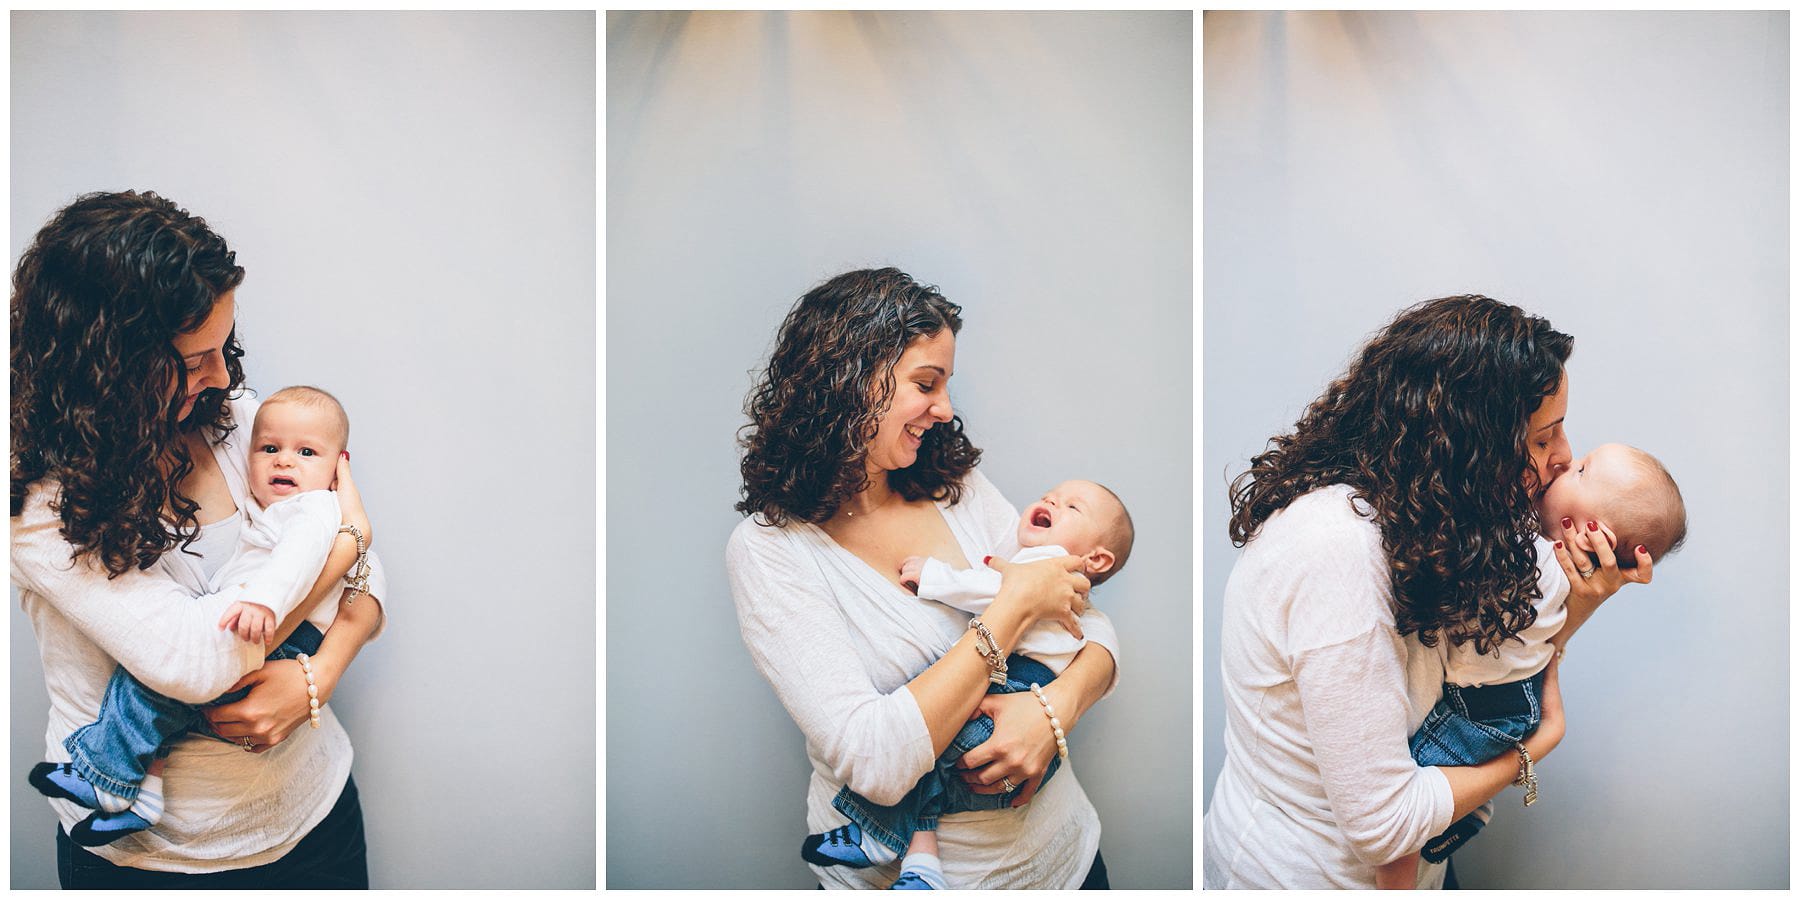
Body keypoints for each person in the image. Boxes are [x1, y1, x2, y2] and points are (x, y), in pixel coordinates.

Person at [1202, 295, 1655, 890]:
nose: (1565, 456)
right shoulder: (1337, 549)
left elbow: (1493, 662)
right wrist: (1531, 751)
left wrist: (1584, 600)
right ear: (1468, 444)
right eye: (1544, 438)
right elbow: (1384, 827)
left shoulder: (1435, 519)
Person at [11, 191, 388, 887]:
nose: (223, 376)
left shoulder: (230, 418)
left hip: (315, 817)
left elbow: (371, 585)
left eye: (224, 347)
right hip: (159, 862)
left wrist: (319, 675)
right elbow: (196, 664)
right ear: (110, 366)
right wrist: (344, 544)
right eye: (192, 360)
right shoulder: (38, 501)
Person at [725, 268, 1121, 889]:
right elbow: (876, 763)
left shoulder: (954, 488)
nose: (944, 409)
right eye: (925, 383)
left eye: (945, 385)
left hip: (1064, 863)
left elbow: (1085, 622)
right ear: (853, 383)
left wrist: (1056, 710)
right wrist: (1009, 610)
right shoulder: (772, 552)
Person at [28, 385, 369, 847]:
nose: (284, 460)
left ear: (336, 469)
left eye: (306, 452)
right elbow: (189, 662)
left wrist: (309, 659)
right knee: (161, 689)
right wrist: (353, 539)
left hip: (303, 770)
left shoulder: (307, 503)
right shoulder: (31, 490)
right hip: (157, 858)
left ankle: (104, 776)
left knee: (148, 692)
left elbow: (333, 564)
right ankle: (144, 795)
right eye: (270, 449)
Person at [1375, 442, 1687, 887]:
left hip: (1488, 707)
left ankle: (1395, 883)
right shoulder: (1534, 554)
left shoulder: (1532, 562)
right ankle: (1468, 813)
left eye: (1580, 472)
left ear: (1587, 531)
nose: (1566, 460)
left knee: (1412, 795)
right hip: (1505, 699)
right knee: (1440, 778)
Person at [804, 479, 1135, 888]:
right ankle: (913, 858)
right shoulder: (774, 549)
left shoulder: (1047, 558)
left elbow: (998, 592)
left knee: (936, 756)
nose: (1051, 499)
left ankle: (887, 837)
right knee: (933, 763)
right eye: (1051, 493)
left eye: (1072, 506)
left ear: (1097, 560)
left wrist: (934, 577)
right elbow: (883, 757)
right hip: (1015, 697)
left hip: (1019, 695)